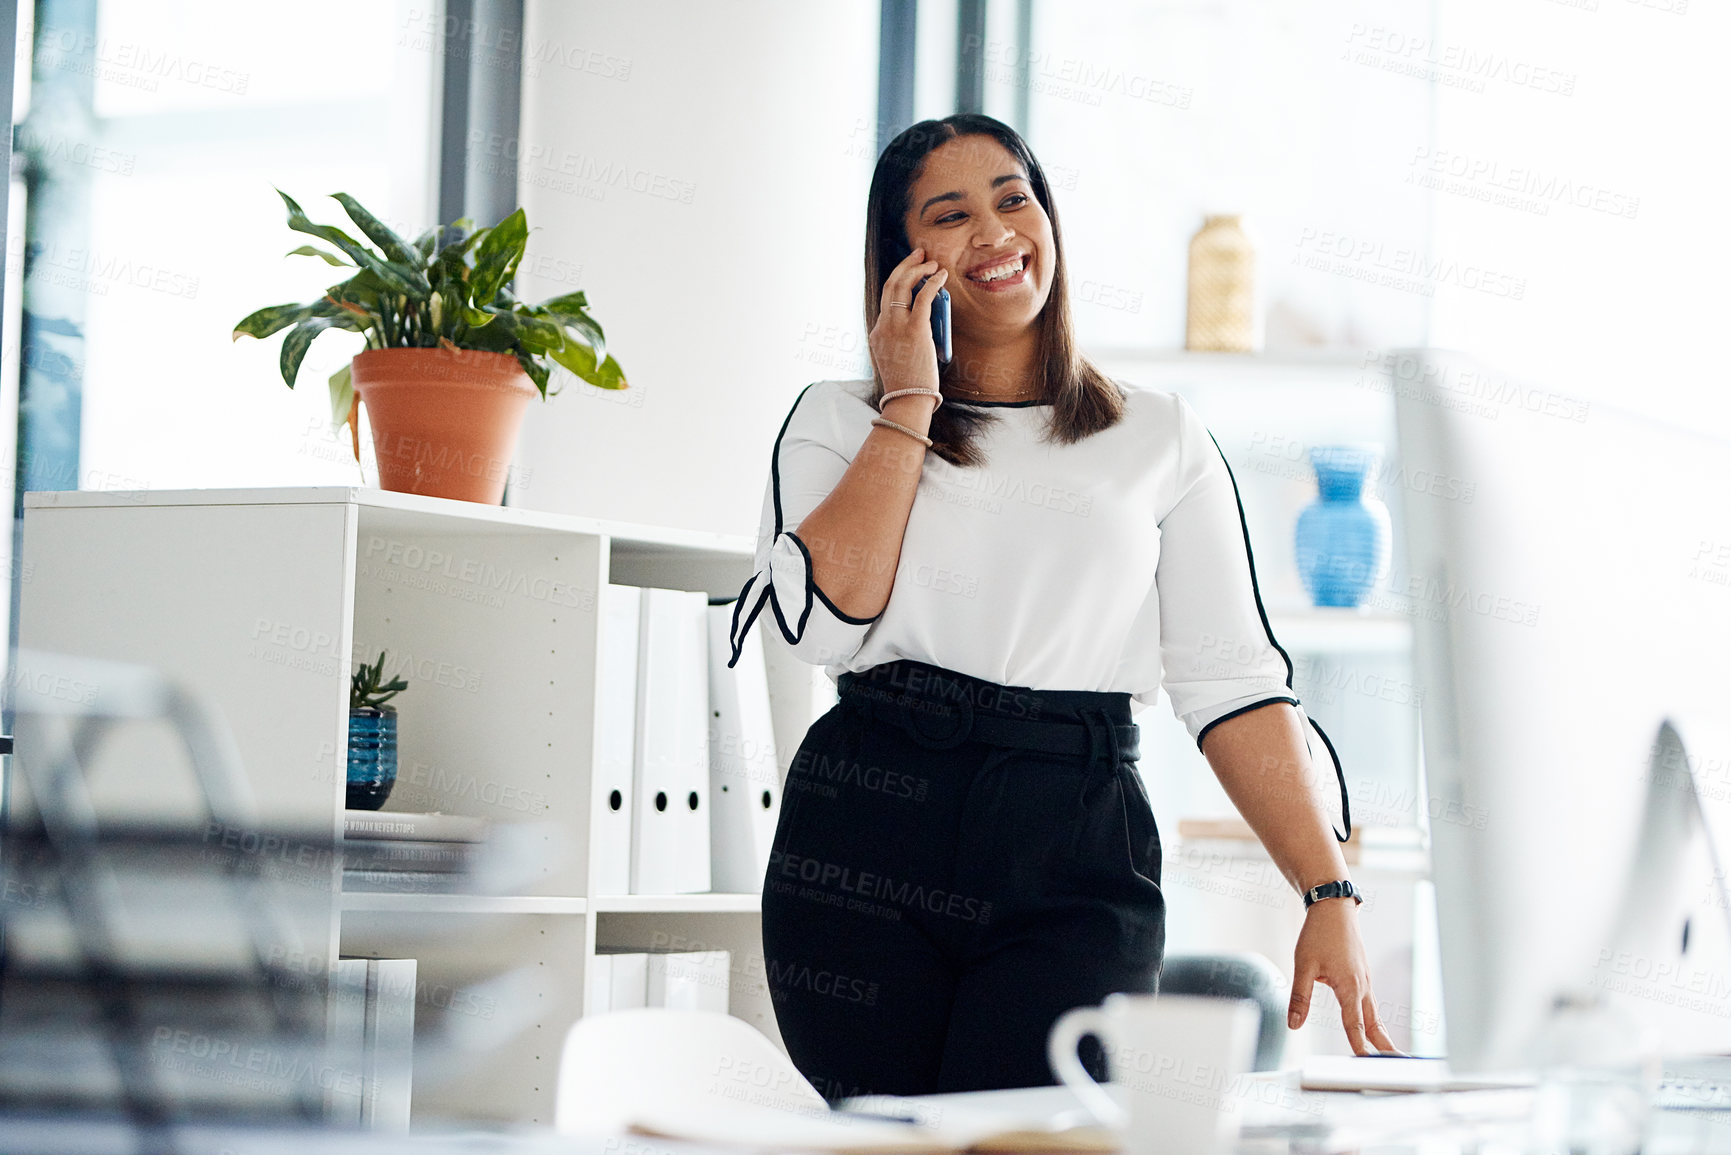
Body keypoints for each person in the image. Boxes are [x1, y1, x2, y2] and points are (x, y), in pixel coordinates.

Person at [725, 113, 1397, 1100]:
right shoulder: (837, 420)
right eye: (950, 215)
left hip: (1073, 827)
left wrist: (1327, 889)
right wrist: (909, 404)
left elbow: (1235, 686)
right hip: (870, 819)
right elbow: (825, 622)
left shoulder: (1157, 437)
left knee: (1034, 1128)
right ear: (900, 261)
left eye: (1013, 198)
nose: (995, 233)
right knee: (885, 1138)